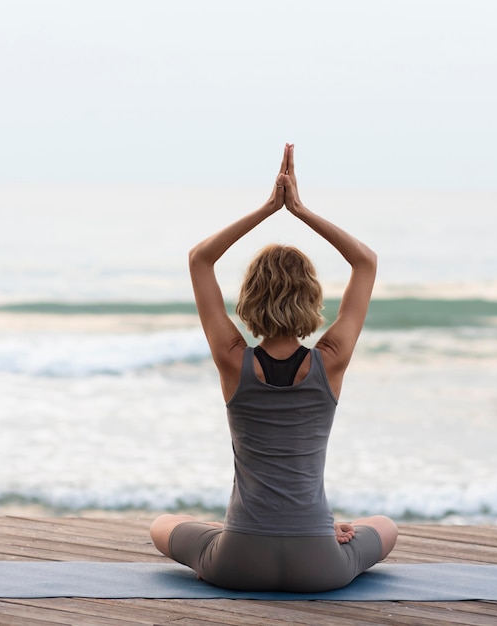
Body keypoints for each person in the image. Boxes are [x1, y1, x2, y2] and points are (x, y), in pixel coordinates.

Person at [150, 143, 398, 592]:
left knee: (162, 524)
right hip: (320, 567)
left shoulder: (232, 359)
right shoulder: (331, 359)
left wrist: (268, 209)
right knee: (384, 525)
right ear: (311, 298)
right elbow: (366, 260)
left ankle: (247, 530)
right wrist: (299, 210)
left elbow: (199, 258)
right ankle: (324, 528)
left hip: (236, 562)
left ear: (249, 299)